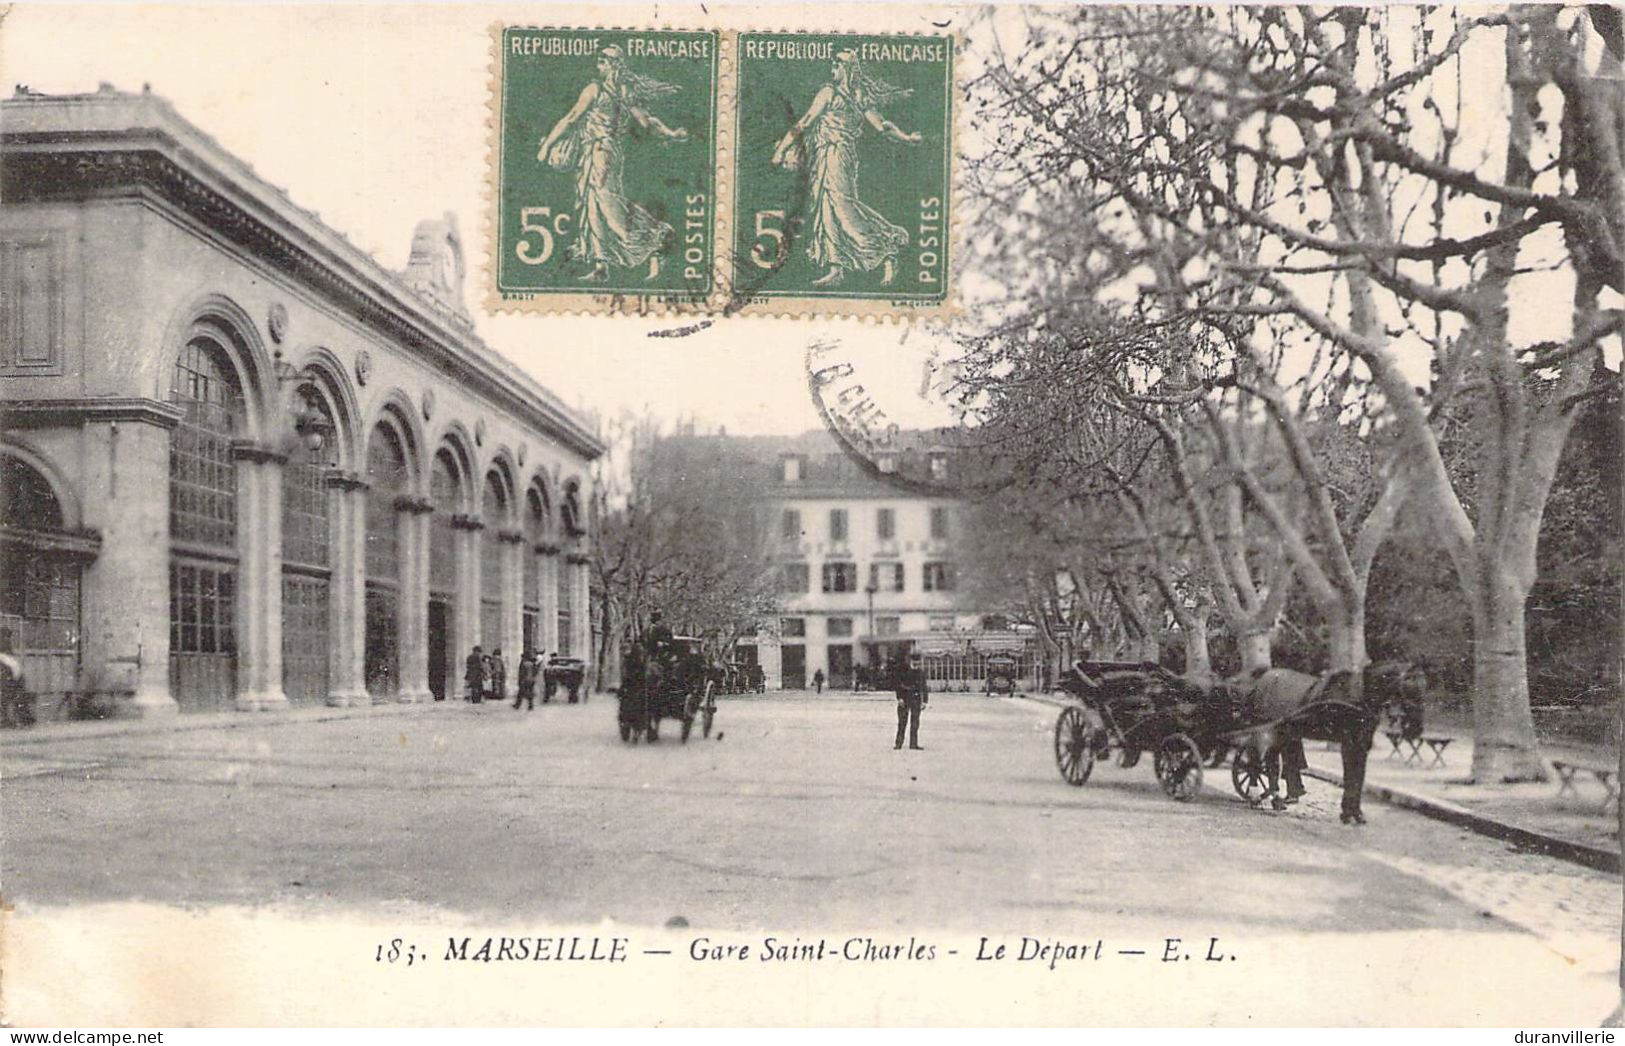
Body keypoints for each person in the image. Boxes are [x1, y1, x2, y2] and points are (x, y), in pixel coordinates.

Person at [537, 45, 690, 282]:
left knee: (607, 205)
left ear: (612, 65)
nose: (598, 65)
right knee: (592, 205)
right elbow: (647, 122)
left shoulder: (594, 89)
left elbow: (571, 118)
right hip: (603, 152)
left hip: (600, 152)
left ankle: (659, 237)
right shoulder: (623, 90)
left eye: (602, 61)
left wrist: (547, 145)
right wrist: (670, 133)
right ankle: (601, 266)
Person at [772, 48, 922, 287]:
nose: (834, 66)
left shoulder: (853, 94)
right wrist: (782, 149)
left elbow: (881, 126)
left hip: (841, 155)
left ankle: (886, 248)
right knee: (825, 208)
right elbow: (807, 122)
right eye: (834, 62)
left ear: (849, 67)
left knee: (843, 206)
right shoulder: (828, 91)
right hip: (823, 154)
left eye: (839, 63)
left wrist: (906, 138)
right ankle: (836, 268)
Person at [894, 652, 927, 750]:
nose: (916, 665)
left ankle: (913, 744)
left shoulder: (921, 673)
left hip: (916, 699)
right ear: (911, 662)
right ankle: (898, 743)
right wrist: (899, 698)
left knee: (915, 723)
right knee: (902, 722)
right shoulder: (904, 671)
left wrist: (924, 701)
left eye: (918, 663)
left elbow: (924, 687)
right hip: (904, 699)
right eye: (914, 663)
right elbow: (898, 685)